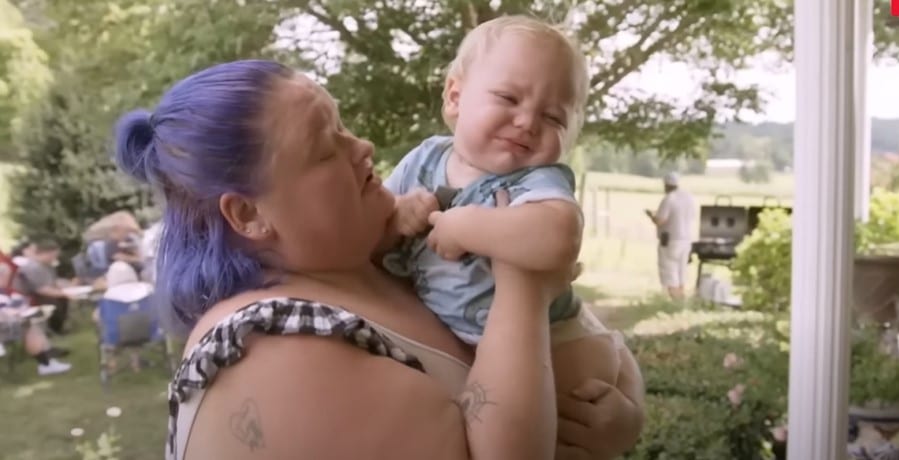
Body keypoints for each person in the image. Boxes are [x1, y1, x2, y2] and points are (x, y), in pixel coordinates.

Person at [114, 59, 643, 460]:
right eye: (327, 147)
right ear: (248, 214)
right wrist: (523, 284)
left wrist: (617, 416)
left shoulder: (381, 261)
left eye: (344, 126)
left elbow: (571, 332)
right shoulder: (275, 351)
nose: (362, 146)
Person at [381, 15, 620, 397]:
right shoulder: (423, 159)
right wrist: (396, 214)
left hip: (552, 341)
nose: (527, 122)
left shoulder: (536, 179)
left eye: (553, 116)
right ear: (455, 96)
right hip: (456, 345)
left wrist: (468, 226)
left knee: (582, 405)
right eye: (509, 98)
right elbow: (372, 228)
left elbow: (559, 237)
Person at [645, 172, 696, 299]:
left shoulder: (669, 199)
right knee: (681, 272)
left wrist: (651, 215)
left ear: (666, 185)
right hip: (686, 241)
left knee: (670, 272)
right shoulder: (689, 198)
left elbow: (660, 220)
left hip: (670, 241)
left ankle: (675, 301)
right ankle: (681, 300)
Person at [12, 239, 74, 334]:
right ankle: (54, 329)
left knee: (62, 298)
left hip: (40, 292)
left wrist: (67, 290)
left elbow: (53, 282)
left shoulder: (47, 265)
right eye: (53, 255)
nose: (55, 258)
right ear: (44, 253)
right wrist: (65, 293)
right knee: (53, 301)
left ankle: (58, 327)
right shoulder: (33, 267)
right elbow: (41, 289)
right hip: (28, 296)